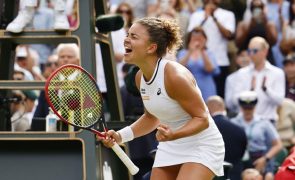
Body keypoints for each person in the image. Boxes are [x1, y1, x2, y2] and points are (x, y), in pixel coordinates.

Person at [99, 17, 225, 180]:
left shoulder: (174, 76)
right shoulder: (139, 77)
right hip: (171, 144)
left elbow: (202, 119)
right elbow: (151, 117)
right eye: (128, 35)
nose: (126, 40)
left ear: (151, 47)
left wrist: (174, 134)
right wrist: (120, 136)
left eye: (134, 37)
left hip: (202, 145)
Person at [231, 36, 285, 124]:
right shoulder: (242, 73)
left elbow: (280, 101)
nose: (251, 54)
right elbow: (234, 101)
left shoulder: (277, 73)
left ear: (265, 51)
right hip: (246, 122)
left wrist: (266, 90)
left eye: (255, 51)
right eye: (249, 51)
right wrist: (250, 91)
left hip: (268, 120)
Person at [231, 91, 283, 180]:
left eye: (250, 108)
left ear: (254, 107)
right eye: (245, 108)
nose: (248, 111)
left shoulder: (264, 123)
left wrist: (265, 159)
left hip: (260, 158)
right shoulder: (234, 122)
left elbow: (278, 145)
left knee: (268, 177)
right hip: (240, 159)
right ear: (241, 107)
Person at [207, 95, 247, 180]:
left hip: (211, 174)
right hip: (233, 174)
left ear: (208, 108)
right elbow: (242, 153)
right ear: (223, 107)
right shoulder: (239, 129)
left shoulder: (205, 129)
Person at [177, 27, 220, 101]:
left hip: (206, 87)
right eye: (194, 38)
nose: (197, 40)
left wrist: (202, 51)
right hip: (188, 86)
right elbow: (179, 68)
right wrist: (190, 51)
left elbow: (210, 69)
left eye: (200, 38)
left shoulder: (209, 53)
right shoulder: (183, 53)